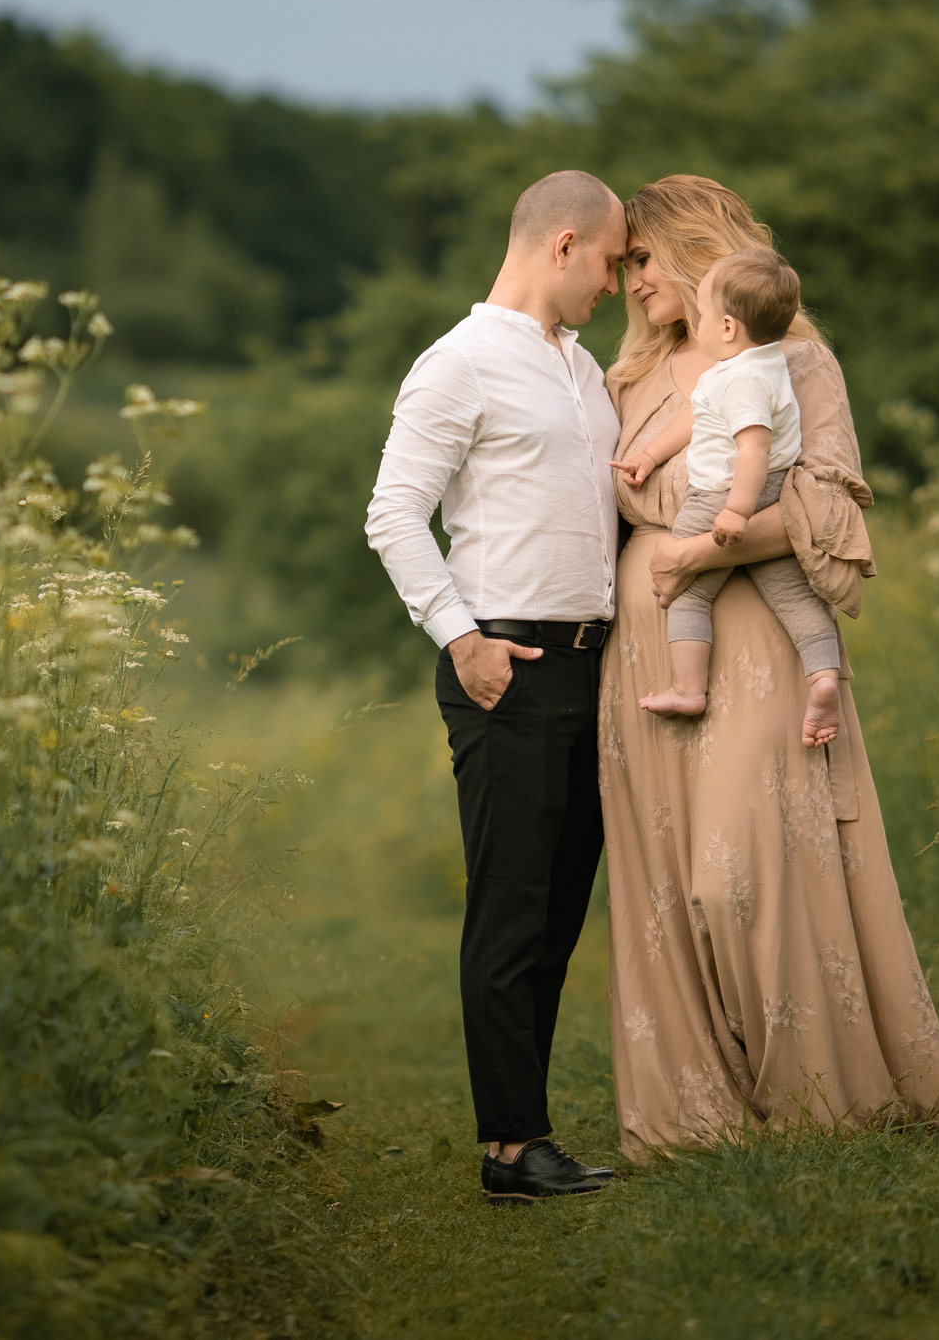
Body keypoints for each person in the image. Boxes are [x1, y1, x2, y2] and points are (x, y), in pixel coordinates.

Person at [596, 174, 939, 1156]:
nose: (629, 283)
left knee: (735, 876)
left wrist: (700, 550)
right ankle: (699, 1110)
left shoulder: (796, 359)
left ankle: (820, 1096)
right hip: (649, 642)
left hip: (765, 645)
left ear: (694, 248)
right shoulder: (624, 377)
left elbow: (827, 511)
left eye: (641, 259)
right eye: (619, 266)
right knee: (665, 891)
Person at [363, 169, 628, 1205]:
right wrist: (459, 634)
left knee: (560, 910)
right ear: (563, 245)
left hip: (590, 665)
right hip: (504, 667)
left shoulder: (582, 364)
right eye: (609, 261)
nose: (613, 282)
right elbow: (393, 513)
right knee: (513, 907)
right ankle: (511, 1146)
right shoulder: (456, 363)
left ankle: (529, 1129)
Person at [612, 247, 845, 744]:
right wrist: (649, 456)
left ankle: (688, 687)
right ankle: (823, 677)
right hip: (761, 494)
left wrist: (736, 511)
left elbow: (754, 447)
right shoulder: (758, 366)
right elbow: (695, 420)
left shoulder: (739, 379)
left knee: (689, 590)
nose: (697, 319)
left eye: (702, 310)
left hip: (723, 496)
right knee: (797, 596)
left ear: (727, 327)